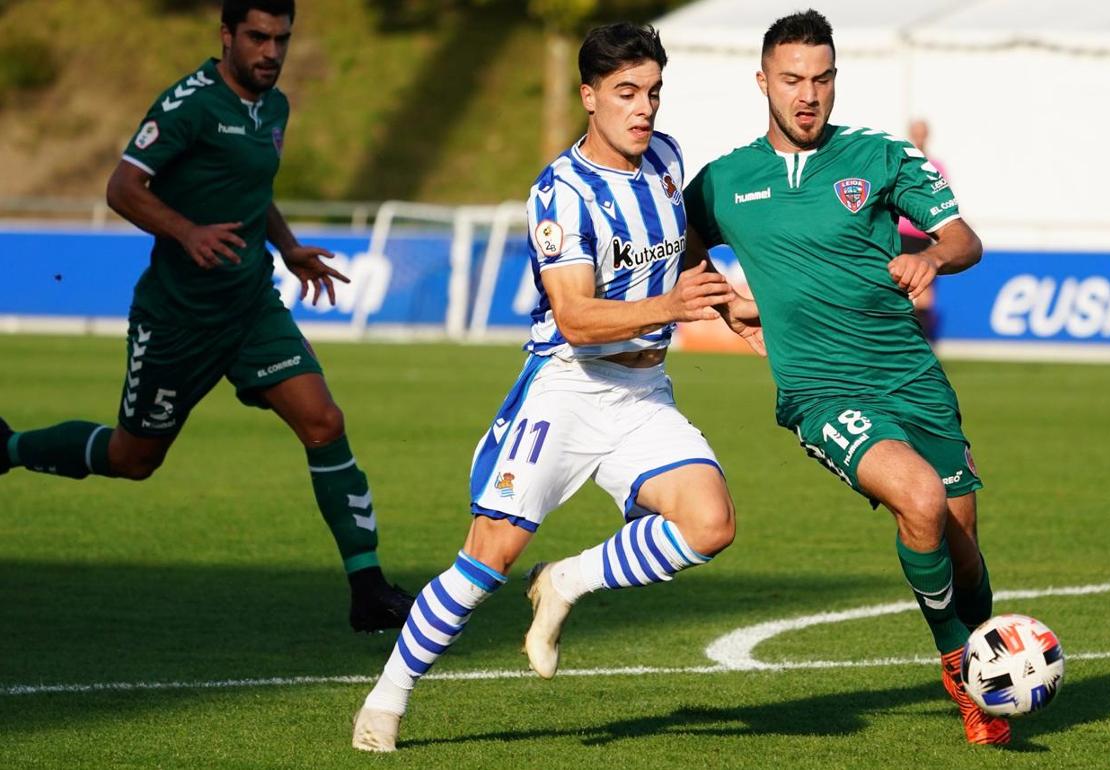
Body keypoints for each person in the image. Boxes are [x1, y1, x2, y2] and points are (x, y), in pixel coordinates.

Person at [351, 22, 750, 752]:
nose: (644, 109)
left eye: (653, 92)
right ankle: (387, 698)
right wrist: (675, 306)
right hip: (567, 388)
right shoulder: (560, 193)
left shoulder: (665, 159)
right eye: (627, 92)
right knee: (486, 561)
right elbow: (574, 314)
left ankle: (566, 580)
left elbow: (681, 244)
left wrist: (723, 298)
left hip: (644, 392)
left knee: (710, 524)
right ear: (588, 96)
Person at [0, 0, 414, 633]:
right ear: (226, 36)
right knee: (134, 457)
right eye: (257, 37)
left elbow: (253, 189)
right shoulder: (187, 104)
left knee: (324, 422)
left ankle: (368, 591)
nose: (271, 52)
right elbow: (122, 188)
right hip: (177, 319)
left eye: (282, 39)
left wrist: (287, 245)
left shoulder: (274, 107)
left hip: (250, 307)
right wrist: (187, 232)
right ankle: (9, 447)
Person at [682, 10, 1010, 746]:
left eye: (821, 79)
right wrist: (723, 301)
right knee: (919, 499)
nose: (808, 95)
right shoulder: (724, 181)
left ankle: (995, 664)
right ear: (763, 82)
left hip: (912, 379)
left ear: (835, 82)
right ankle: (961, 668)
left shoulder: (880, 157)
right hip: (820, 391)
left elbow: (964, 238)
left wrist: (933, 258)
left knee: (963, 548)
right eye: (792, 79)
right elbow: (680, 248)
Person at [898, 119, 945, 340]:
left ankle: (923, 343)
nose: (919, 137)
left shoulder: (934, 166)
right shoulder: (900, 162)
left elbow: (943, 202)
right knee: (898, 290)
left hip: (920, 237)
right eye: (915, 133)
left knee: (924, 293)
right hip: (899, 234)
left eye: (922, 133)